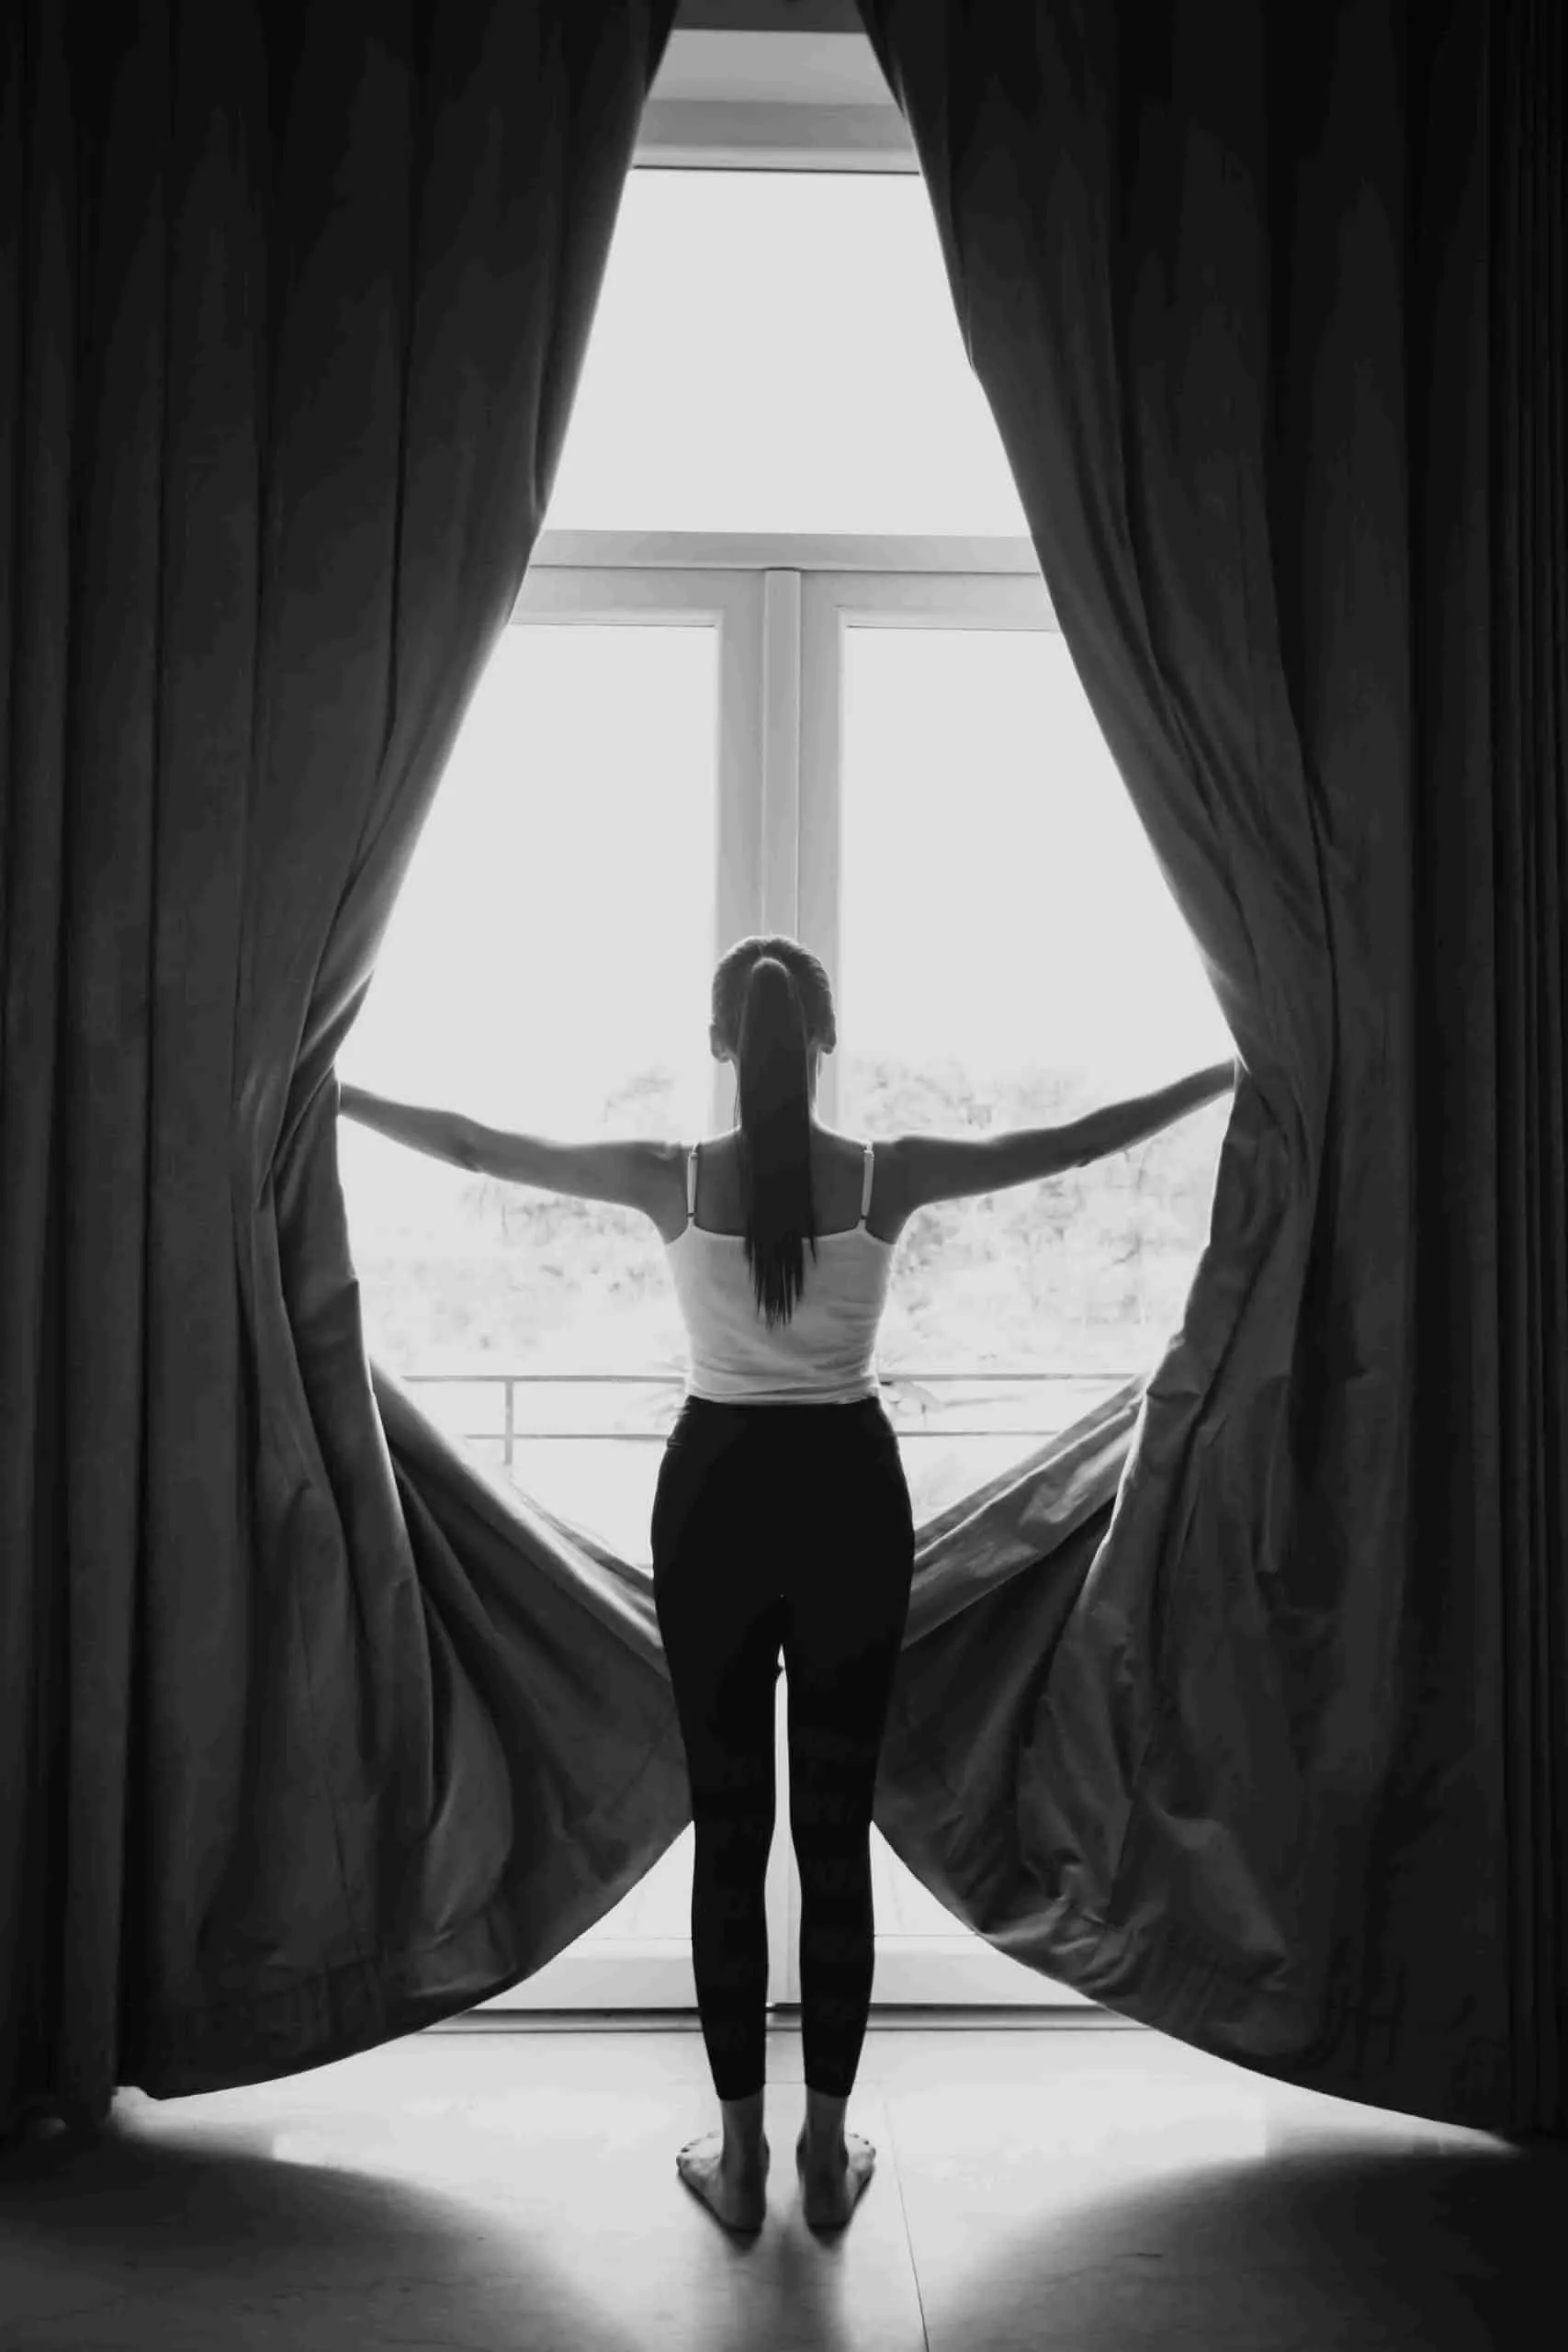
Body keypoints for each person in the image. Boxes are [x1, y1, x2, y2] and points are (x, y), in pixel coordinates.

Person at [338, 933, 1236, 2236]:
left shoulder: (668, 1178)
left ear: (719, 1043)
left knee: (728, 1830)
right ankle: (826, 2157)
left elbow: (478, 1147)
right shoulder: (890, 1175)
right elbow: (1081, 1141)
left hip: (711, 1498)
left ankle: (741, 2159)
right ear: (822, 1042)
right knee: (831, 1835)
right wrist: (1219, 1075)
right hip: (846, 1502)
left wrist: (337, 1090)